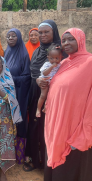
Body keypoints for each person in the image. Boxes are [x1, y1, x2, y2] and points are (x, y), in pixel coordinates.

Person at [44, 28, 92, 181]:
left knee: (72, 170)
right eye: (64, 40)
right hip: (57, 127)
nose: (66, 43)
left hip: (76, 131)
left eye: (71, 39)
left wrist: (84, 133)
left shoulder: (91, 63)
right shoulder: (64, 63)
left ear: (80, 40)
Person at [24, 20, 67, 172]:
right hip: (36, 94)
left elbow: (65, 72)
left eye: (46, 32)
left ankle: (48, 163)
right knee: (35, 126)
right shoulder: (37, 51)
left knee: (48, 129)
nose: (42, 35)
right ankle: (36, 160)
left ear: (54, 32)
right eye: (40, 32)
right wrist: (37, 79)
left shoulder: (59, 50)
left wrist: (48, 81)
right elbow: (33, 71)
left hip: (53, 96)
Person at [0, 56, 21, 180]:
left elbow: (12, 100)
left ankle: (3, 171)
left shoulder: (8, 80)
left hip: (5, 116)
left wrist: (0, 91)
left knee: (4, 142)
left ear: (3, 67)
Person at [4, 28, 31, 164]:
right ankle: (7, 154)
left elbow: (27, 77)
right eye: (8, 36)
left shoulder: (24, 55)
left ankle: (19, 155)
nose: (10, 38)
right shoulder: (7, 52)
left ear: (19, 37)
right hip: (6, 94)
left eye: (13, 36)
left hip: (19, 94)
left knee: (18, 121)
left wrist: (12, 79)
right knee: (6, 122)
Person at [36, 43, 62, 118]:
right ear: (48, 57)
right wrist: (51, 66)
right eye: (52, 58)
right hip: (45, 81)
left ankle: (45, 108)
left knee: (50, 96)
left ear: (61, 57)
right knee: (43, 95)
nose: (54, 60)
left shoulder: (60, 65)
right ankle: (38, 109)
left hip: (53, 83)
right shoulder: (47, 64)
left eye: (57, 58)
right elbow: (44, 72)